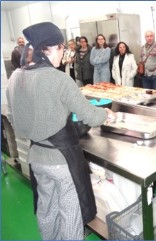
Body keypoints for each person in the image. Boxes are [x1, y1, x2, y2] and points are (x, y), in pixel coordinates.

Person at [5, 22, 115, 240]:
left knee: (47, 209)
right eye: (61, 48)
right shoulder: (59, 79)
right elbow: (90, 116)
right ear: (47, 49)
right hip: (61, 161)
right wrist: (107, 114)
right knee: (70, 214)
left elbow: (12, 116)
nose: (64, 53)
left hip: (36, 158)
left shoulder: (15, 77)